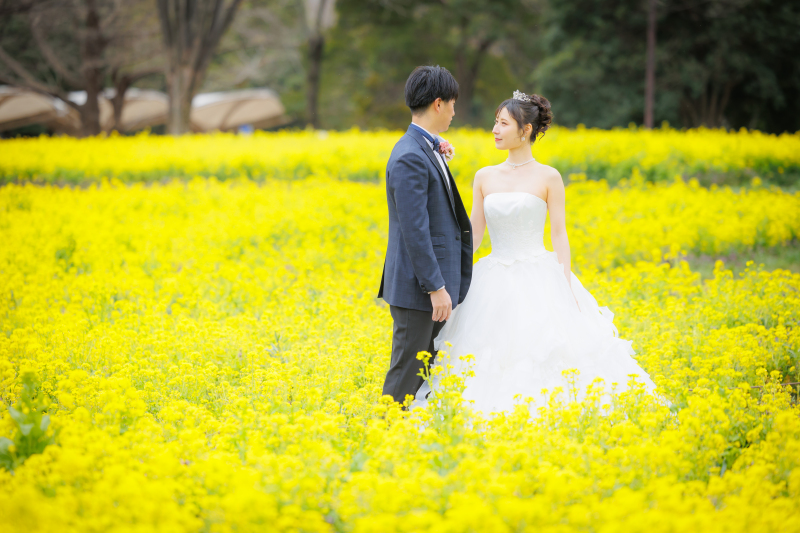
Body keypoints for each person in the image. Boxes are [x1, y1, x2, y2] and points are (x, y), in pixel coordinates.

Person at [414, 90, 657, 415]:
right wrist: (450, 274)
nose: (495, 130)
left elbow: (559, 234)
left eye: (503, 123)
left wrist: (565, 283)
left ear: (525, 130)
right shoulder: (484, 176)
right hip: (493, 278)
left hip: (538, 274)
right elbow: (474, 233)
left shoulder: (549, 177)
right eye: (495, 122)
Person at [378, 65, 473, 407]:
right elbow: (414, 230)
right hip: (418, 290)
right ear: (438, 103)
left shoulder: (425, 148)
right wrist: (435, 287)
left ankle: (402, 433)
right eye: (452, 104)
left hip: (428, 288)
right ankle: (384, 431)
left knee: (423, 374)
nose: (454, 112)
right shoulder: (410, 156)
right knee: (406, 372)